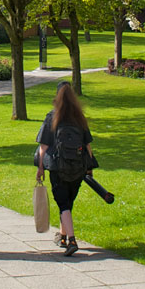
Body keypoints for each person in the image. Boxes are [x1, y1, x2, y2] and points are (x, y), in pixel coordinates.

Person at [36, 81, 94, 256]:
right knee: (68, 203)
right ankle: (62, 236)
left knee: (63, 204)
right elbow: (88, 146)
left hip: (57, 166)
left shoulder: (52, 117)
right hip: (78, 167)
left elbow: (43, 147)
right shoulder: (80, 118)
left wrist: (40, 168)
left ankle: (71, 239)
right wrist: (89, 168)